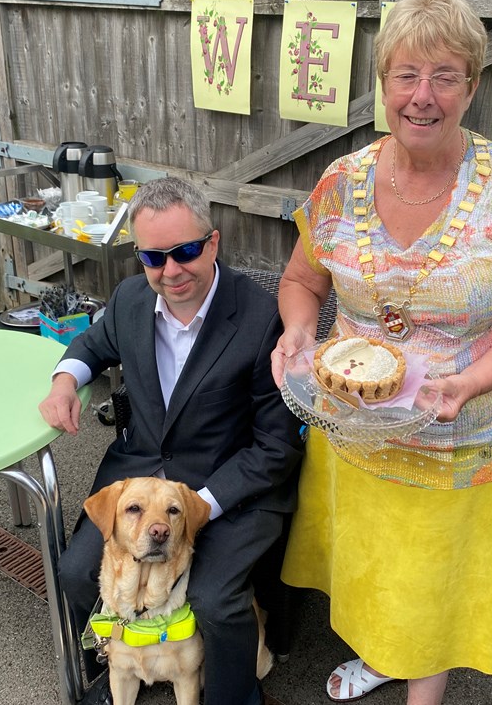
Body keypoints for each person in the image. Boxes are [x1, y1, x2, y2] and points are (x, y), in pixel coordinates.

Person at [270, 0, 492, 703]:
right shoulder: (341, 181)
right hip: (356, 426)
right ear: (383, 83)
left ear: (471, 86)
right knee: (377, 565)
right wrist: (293, 331)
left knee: (432, 578)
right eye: (407, 74)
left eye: (445, 75)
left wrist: (467, 383)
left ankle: (422, 688)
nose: (423, 95)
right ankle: (384, 654)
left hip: (465, 433)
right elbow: (299, 282)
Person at [39, 177, 303, 705]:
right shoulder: (132, 299)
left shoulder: (260, 319)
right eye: (153, 257)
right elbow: (92, 343)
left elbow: (278, 446)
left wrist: (196, 506)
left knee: (213, 598)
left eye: (185, 251)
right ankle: (125, 656)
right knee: (74, 571)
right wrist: (65, 380)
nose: (171, 270)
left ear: (213, 242)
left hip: (230, 486)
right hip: (140, 476)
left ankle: (233, 695)